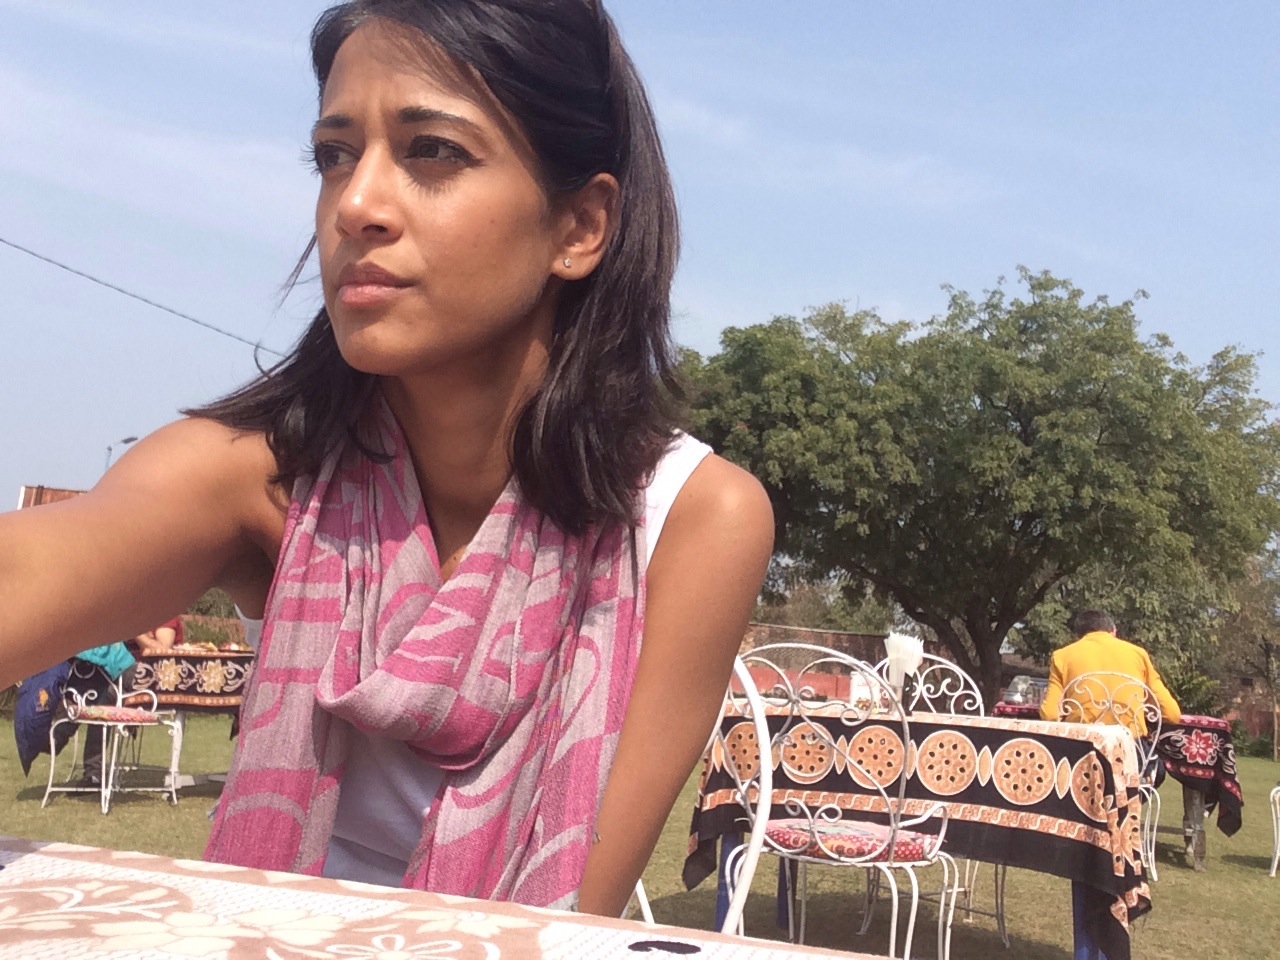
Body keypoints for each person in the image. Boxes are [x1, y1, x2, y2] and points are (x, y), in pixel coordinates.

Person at [0, 0, 772, 918]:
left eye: (432, 151)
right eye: (334, 155)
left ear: (579, 227)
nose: (356, 204)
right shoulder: (260, 475)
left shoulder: (692, 521)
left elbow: (570, 916)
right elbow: (29, 570)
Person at [1040, 609, 1181, 960]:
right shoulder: (1138, 654)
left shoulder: (1063, 656)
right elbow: (1172, 713)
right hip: (1129, 768)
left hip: (1085, 769)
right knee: (1118, 845)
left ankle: (1089, 948)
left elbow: (1049, 714)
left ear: (1080, 635)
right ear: (1113, 631)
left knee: (1089, 848)